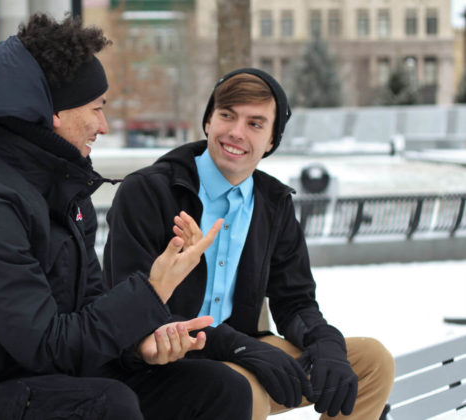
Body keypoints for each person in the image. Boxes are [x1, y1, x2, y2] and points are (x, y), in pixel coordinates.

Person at [0, 14, 254, 420]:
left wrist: (140, 342)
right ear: (55, 113)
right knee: (106, 407)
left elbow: (85, 311)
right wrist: (152, 290)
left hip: (38, 377)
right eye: (96, 108)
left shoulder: (62, 190)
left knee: (219, 389)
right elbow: (48, 345)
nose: (104, 124)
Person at [103, 68, 396, 420]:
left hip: (244, 349)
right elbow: (129, 305)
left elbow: (295, 300)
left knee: (372, 361)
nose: (236, 133)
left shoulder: (272, 203)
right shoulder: (150, 192)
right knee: (243, 388)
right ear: (208, 121)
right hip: (165, 356)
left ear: (272, 140)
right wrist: (238, 346)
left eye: (256, 124)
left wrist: (325, 342)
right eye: (227, 116)